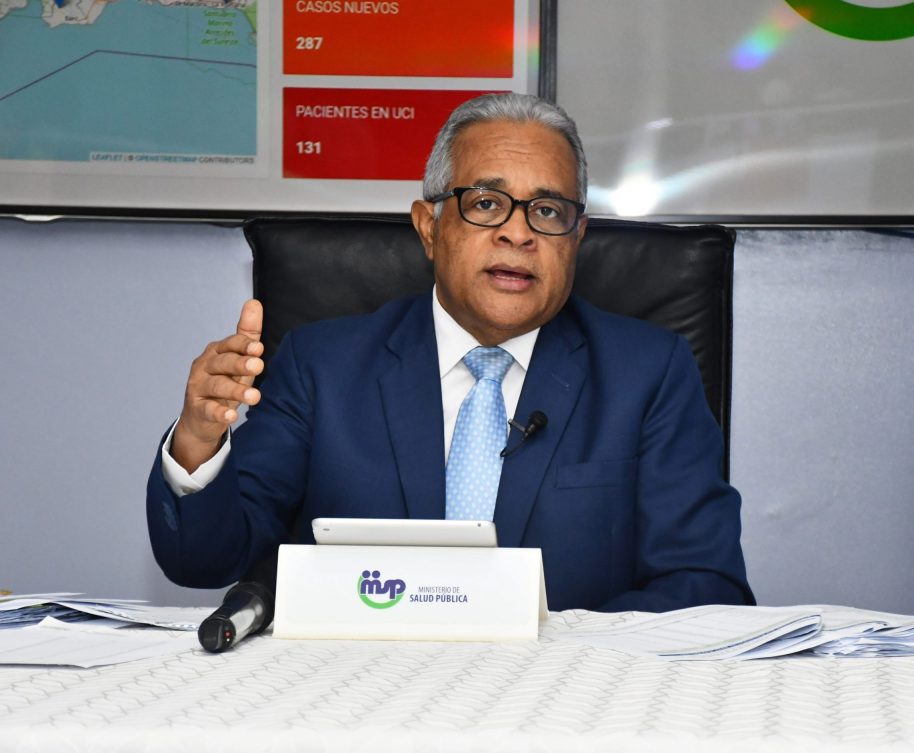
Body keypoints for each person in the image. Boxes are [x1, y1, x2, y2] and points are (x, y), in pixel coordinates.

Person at [147, 93, 754, 612]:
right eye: (486, 203)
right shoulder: (322, 367)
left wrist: (542, 639)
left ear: (577, 238)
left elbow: (707, 588)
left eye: (548, 211)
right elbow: (205, 560)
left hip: (562, 695)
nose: (518, 232)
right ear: (429, 227)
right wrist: (198, 441)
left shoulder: (648, 374)